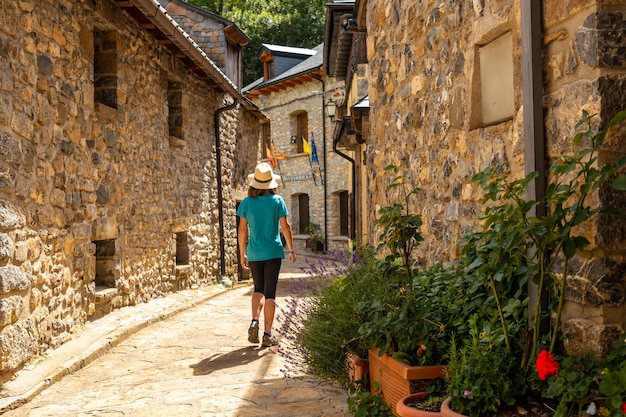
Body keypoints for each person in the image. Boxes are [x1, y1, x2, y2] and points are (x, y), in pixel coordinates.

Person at [237, 162, 296, 347]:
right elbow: (285, 227)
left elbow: (242, 230)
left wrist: (242, 253)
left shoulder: (246, 202)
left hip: (254, 252)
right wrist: (292, 250)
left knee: (258, 289)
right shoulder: (277, 201)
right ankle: (267, 334)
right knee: (270, 293)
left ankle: (254, 320)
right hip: (273, 252)